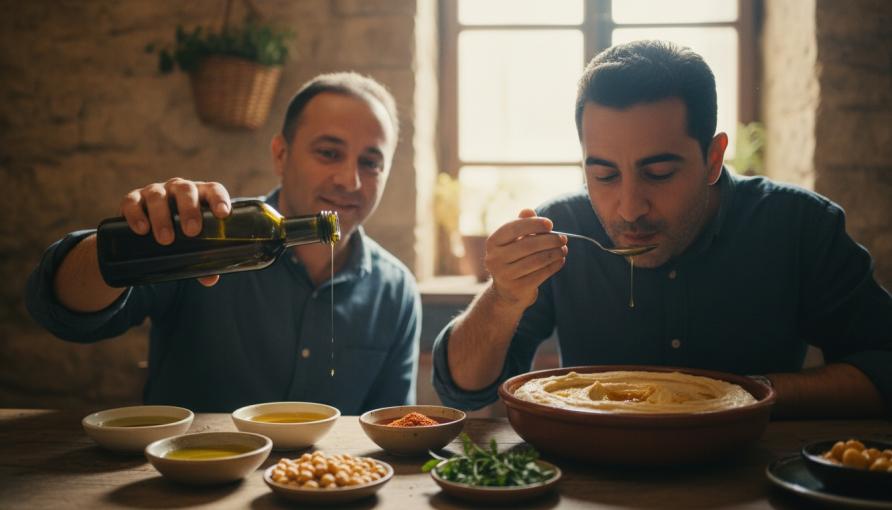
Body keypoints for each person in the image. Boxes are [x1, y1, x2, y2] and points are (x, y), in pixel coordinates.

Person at [432, 40, 892, 418]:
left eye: (659, 173)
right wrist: (502, 298)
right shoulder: (563, 229)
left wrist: (743, 395)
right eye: (604, 175)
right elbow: (463, 392)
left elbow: (883, 367)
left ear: (713, 158)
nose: (630, 208)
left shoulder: (800, 226)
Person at [26, 72, 421, 414]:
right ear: (281, 155)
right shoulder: (208, 234)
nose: (350, 180)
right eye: (329, 153)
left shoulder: (396, 290)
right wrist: (138, 240)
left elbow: (394, 433)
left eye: (370, 162)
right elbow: (59, 313)